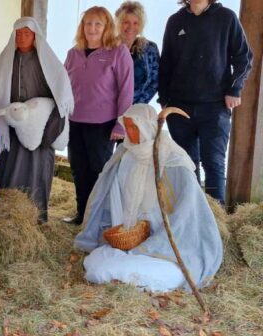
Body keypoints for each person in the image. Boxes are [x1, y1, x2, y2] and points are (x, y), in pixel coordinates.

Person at [75, 104, 223, 292]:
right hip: (133, 240)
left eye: (133, 127)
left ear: (147, 127)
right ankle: (127, 271)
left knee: (111, 270)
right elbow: (111, 193)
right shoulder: (125, 154)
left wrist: (155, 242)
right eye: (126, 127)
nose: (129, 132)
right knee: (96, 263)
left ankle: (135, 273)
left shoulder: (173, 160)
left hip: (168, 247)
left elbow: (188, 211)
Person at [158, 0, 252, 204]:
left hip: (215, 106)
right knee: (186, 165)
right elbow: (166, 63)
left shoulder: (226, 18)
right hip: (179, 107)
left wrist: (235, 89)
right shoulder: (175, 21)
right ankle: (190, 218)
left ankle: (215, 223)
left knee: (213, 164)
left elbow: (243, 57)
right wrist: (165, 101)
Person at [0, 16, 74, 222]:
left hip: (40, 129)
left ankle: (35, 216)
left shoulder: (49, 65)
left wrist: (37, 114)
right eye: (19, 34)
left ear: (35, 37)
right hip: (10, 128)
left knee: (36, 171)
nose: (22, 37)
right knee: (8, 169)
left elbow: (60, 97)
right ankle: (6, 215)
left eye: (27, 33)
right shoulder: (2, 65)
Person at [64, 6, 134, 224]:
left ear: (106, 27)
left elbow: (126, 89)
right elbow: (63, 86)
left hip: (102, 124)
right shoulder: (73, 54)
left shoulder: (118, 52)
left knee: (100, 171)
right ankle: (82, 214)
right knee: (78, 169)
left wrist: (120, 125)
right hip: (75, 121)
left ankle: (101, 218)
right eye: (88, 23)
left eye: (97, 24)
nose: (92, 28)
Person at [115, 1, 160, 105]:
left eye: (136, 23)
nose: (131, 27)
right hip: (109, 110)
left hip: (138, 111)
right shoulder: (108, 48)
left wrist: (137, 106)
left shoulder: (150, 49)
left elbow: (155, 82)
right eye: (126, 22)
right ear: (119, 23)